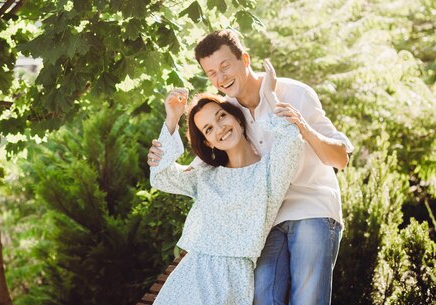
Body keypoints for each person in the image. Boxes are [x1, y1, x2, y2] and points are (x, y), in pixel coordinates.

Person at [147, 30, 354, 305]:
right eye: (211, 73)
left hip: (311, 206)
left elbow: (340, 158)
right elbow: (203, 172)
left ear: (244, 59)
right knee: (262, 297)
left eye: (225, 66)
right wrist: (165, 146)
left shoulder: (293, 93)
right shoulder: (227, 111)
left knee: (307, 299)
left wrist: (301, 126)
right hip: (267, 221)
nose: (221, 79)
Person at [149, 59, 305, 305]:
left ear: (238, 119)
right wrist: (172, 118)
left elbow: (291, 139)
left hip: (233, 279)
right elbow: (160, 177)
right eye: (208, 129)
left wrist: (268, 96)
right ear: (208, 142)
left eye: (221, 116)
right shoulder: (205, 175)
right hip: (190, 275)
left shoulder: (269, 172)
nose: (219, 128)